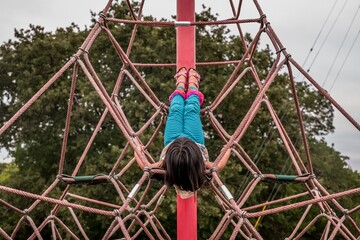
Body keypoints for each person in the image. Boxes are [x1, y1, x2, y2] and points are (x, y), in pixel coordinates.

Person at [135, 67, 231, 198]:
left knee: (175, 110)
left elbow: (146, 166)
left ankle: (180, 84)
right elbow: (217, 166)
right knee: (191, 109)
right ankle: (192, 84)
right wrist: (227, 150)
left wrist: (138, 151)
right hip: (195, 139)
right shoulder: (201, 165)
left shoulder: (165, 165)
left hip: (171, 140)